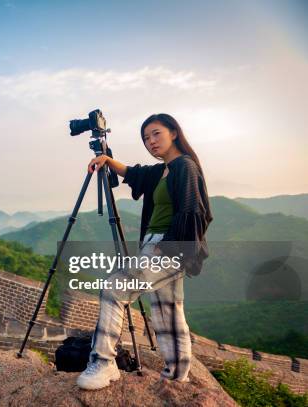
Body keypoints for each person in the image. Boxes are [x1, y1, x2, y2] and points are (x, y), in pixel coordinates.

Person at [76, 113, 213, 390]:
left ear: (174, 132)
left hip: (169, 246)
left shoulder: (184, 167)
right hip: (157, 244)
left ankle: (103, 363)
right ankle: (177, 375)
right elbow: (134, 172)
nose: (151, 141)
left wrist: (168, 247)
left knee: (115, 288)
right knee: (167, 311)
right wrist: (106, 159)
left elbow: (194, 212)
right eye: (146, 138)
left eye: (156, 134)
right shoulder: (163, 169)